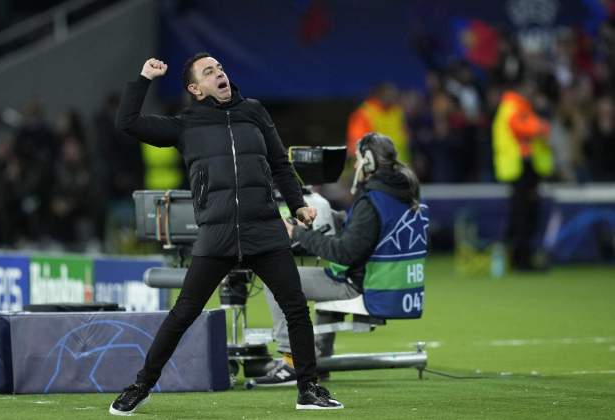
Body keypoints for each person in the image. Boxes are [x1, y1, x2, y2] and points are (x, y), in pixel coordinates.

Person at [108, 54, 344, 415]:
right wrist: (143, 79)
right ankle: (140, 386)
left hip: (264, 229)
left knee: (296, 308)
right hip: (216, 235)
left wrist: (297, 204)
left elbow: (280, 163)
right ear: (195, 88)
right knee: (183, 314)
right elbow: (127, 122)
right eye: (208, 72)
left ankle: (308, 389)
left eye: (219, 68)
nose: (218, 73)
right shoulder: (184, 124)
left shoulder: (254, 111)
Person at [251, 132, 424, 386]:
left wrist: (296, 232)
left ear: (368, 162)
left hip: (364, 284)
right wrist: (339, 219)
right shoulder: (401, 192)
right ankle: (320, 361)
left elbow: (344, 253)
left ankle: (293, 361)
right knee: (322, 277)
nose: (354, 166)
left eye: (357, 160)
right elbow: (376, 232)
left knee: (276, 278)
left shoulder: (373, 199)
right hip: (390, 285)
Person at [492, 81, 553, 270]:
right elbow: (525, 128)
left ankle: (518, 258)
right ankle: (520, 261)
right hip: (519, 169)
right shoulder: (513, 106)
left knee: (523, 215)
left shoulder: (518, 107)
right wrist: (541, 127)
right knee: (522, 216)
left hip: (524, 169)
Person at [347, 83, 410, 163]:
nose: (394, 96)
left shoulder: (397, 111)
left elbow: (405, 136)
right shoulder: (364, 114)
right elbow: (358, 143)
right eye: (390, 93)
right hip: (377, 168)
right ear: (380, 94)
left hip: (400, 165)